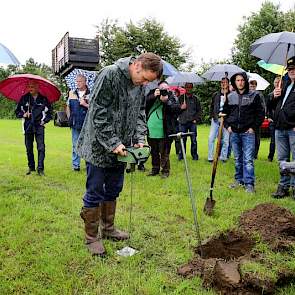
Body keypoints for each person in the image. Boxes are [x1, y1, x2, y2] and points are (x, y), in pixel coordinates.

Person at [76, 52, 162, 256]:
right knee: (95, 191)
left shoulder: (140, 86)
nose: (144, 84)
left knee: (114, 188)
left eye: (148, 83)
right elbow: (98, 113)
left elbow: (141, 112)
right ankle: (91, 238)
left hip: (121, 149)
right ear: (138, 65)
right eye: (145, 79)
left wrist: (140, 137)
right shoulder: (110, 74)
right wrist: (113, 142)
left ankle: (108, 229)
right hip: (98, 145)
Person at [223, 72, 264, 193]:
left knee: (248, 159)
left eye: (242, 80)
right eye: (237, 80)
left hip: (248, 133)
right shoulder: (230, 96)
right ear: (234, 82)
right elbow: (224, 113)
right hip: (234, 132)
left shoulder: (254, 95)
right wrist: (227, 126)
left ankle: (249, 184)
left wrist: (253, 128)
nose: (240, 82)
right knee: (237, 158)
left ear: (245, 81)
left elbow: (260, 113)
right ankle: (238, 181)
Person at [15, 81, 52, 176]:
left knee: (41, 147)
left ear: (37, 87)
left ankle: (40, 169)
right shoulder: (24, 98)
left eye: (32, 87)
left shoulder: (43, 99)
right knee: (29, 148)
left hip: (39, 126)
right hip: (27, 126)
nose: (30, 88)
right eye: (29, 87)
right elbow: (17, 112)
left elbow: (49, 113)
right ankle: (31, 167)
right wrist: (24, 114)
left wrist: (44, 121)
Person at [271, 57, 295, 199]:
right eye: (290, 69)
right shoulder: (283, 83)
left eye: (294, 69)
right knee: (282, 160)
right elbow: (272, 105)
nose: (292, 71)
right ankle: (283, 187)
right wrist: (274, 96)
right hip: (280, 127)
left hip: (293, 128)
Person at [146, 81, 180, 178]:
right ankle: (155, 169)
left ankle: (165, 171)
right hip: (152, 129)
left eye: (165, 89)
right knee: (154, 151)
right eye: (162, 89)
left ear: (169, 88)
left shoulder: (172, 96)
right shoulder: (152, 94)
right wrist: (153, 96)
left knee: (164, 152)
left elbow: (176, 109)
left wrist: (166, 101)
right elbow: (143, 104)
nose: (164, 90)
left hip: (164, 130)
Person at [66, 74, 89, 171]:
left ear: (85, 82)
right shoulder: (72, 93)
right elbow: (67, 106)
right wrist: (69, 117)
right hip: (75, 123)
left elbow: (95, 108)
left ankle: (89, 164)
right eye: (77, 81)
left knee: (87, 145)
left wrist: (85, 104)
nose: (78, 83)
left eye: (80, 81)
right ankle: (76, 165)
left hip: (87, 124)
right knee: (75, 145)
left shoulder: (91, 93)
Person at [208, 77, 230, 163]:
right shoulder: (215, 95)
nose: (223, 84)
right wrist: (214, 116)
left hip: (226, 120)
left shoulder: (231, 95)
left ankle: (223, 157)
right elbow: (212, 107)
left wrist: (226, 101)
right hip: (216, 120)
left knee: (225, 140)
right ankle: (210, 158)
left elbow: (233, 108)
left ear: (228, 84)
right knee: (211, 138)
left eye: (225, 82)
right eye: (222, 82)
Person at [178, 82, 202, 160]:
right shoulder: (180, 98)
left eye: (190, 87)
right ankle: (181, 156)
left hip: (192, 122)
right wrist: (181, 108)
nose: (188, 89)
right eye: (187, 87)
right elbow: (175, 109)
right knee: (182, 140)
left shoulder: (195, 99)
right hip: (182, 122)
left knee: (194, 140)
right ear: (185, 88)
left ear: (192, 88)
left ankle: (195, 156)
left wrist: (196, 119)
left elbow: (199, 111)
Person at [249, 79, 266, 159]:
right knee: (248, 138)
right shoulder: (247, 94)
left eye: (254, 86)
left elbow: (263, 107)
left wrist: (261, 118)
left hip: (257, 120)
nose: (252, 87)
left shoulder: (259, 94)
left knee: (256, 138)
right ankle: (248, 153)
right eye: (251, 86)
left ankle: (255, 155)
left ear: (256, 86)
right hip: (248, 120)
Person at [266, 76, 280, 162]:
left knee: (281, 140)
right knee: (273, 140)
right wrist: (268, 117)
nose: (277, 84)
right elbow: (267, 108)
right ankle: (270, 157)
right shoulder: (270, 95)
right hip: (272, 120)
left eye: (279, 83)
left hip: (281, 121)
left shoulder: (284, 94)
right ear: (273, 84)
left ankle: (282, 158)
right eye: (276, 82)